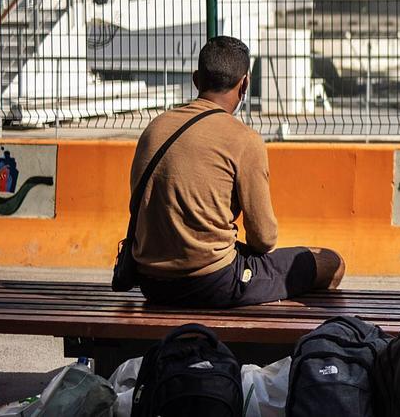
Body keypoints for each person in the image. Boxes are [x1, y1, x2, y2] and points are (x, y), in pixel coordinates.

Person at [131, 36, 345, 307]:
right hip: (213, 282)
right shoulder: (244, 139)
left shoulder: (155, 128)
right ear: (244, 83)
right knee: (331, 263)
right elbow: (264, 239)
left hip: (151, 283)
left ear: (197, 79)